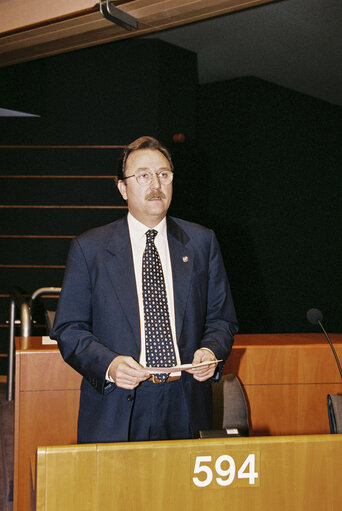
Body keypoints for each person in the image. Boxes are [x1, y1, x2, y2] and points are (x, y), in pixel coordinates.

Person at [50, 136, 238, 443]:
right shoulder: (90, 248)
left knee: (182, 491)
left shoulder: (202, 242)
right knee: (117, 491)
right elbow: (69, 328)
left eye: (164, 175)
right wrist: (109, 365)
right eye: (143, 175)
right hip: (118, 403)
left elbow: (222, 319)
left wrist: (211, 350)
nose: (156, 184)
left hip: (185, 400)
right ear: (123, 188)